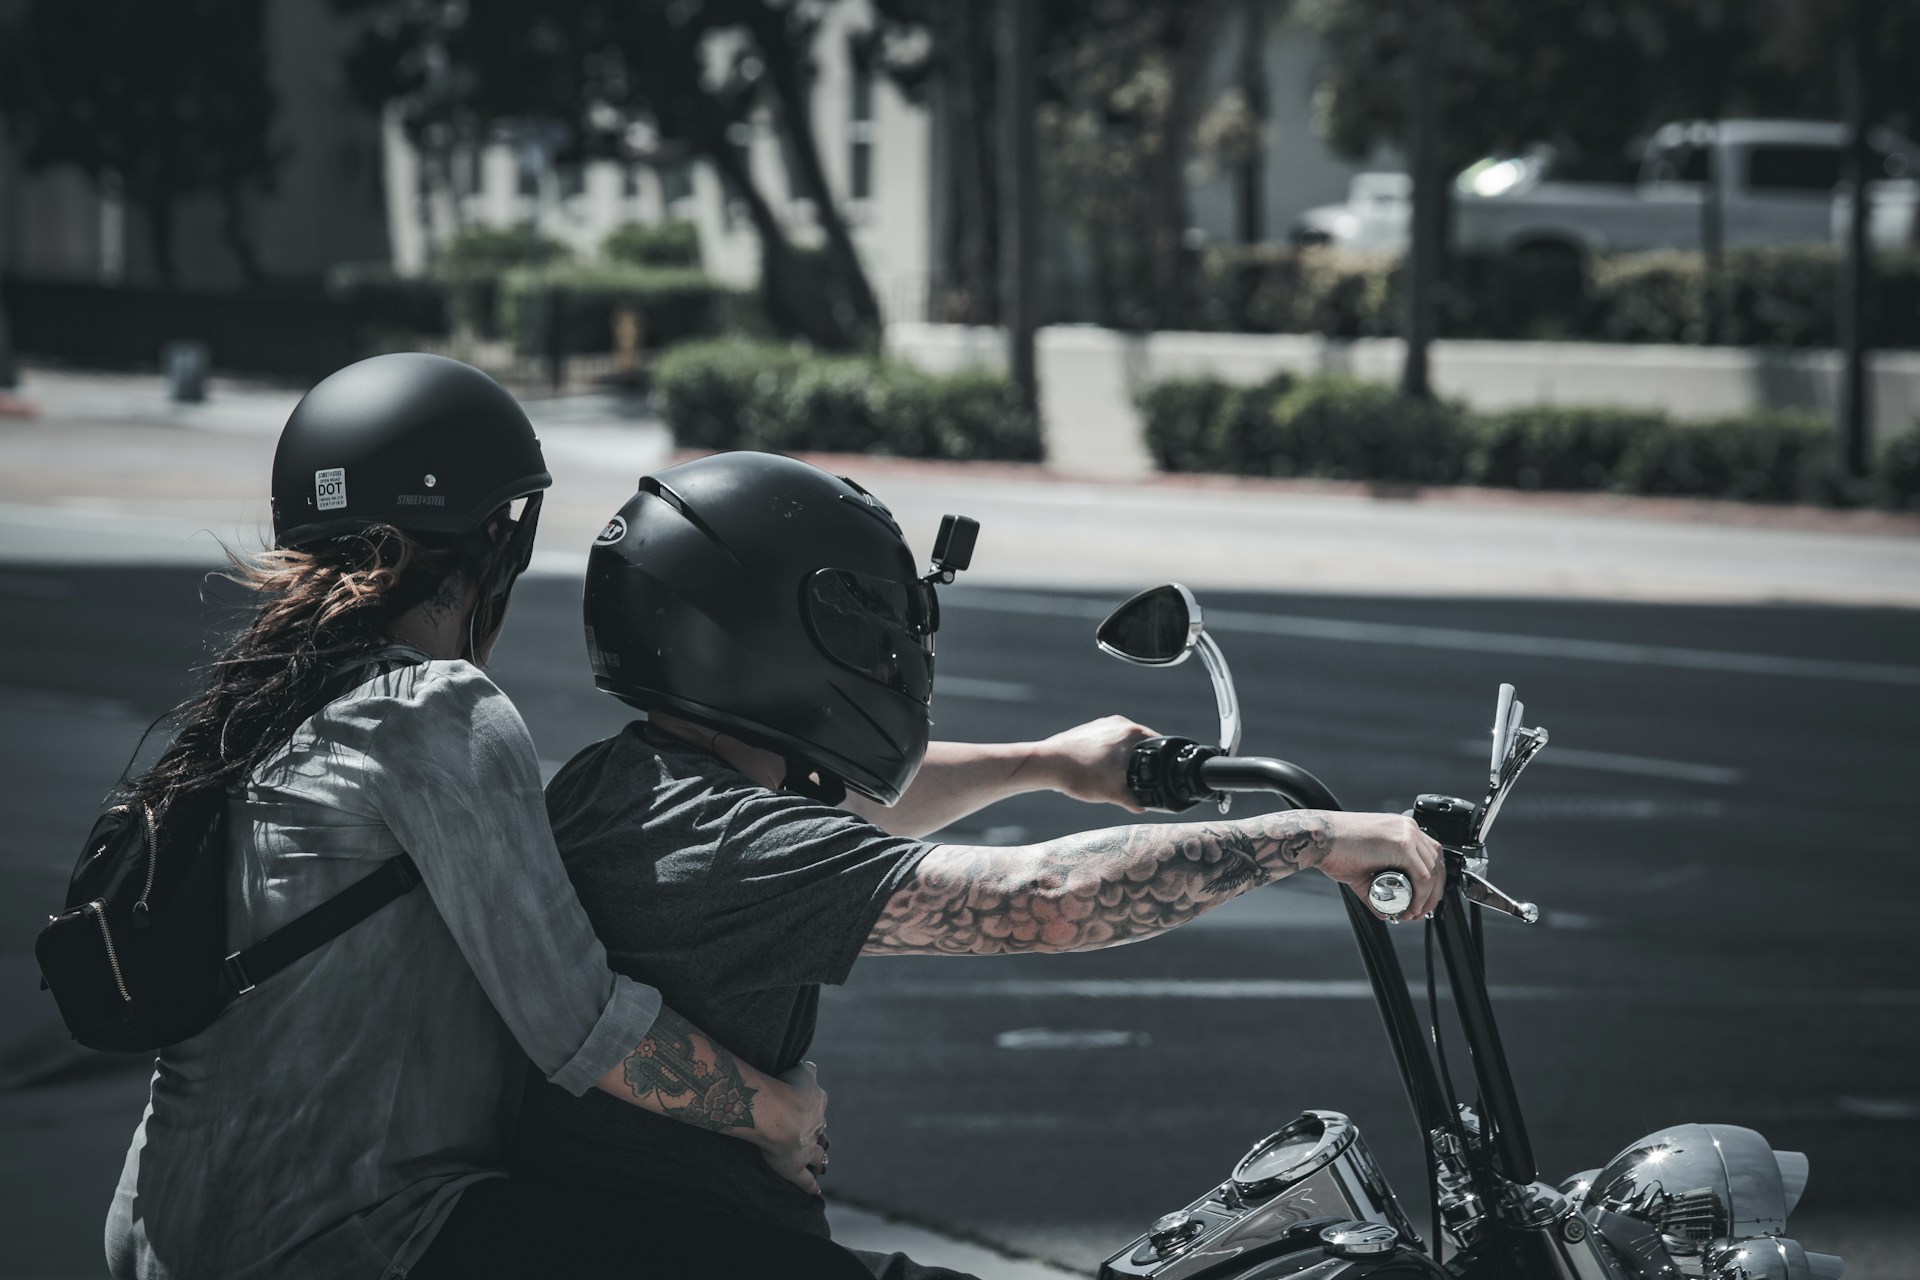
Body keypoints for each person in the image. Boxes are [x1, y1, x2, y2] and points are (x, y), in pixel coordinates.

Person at [511, 452, 1444, 1279]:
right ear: (788, 628)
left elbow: (842, 809)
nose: (899, 645)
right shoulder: (729, 843)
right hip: (705, 1249)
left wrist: (1049, 763)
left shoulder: (628, 784)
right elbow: (1047, 901)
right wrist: (1319, 839)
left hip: (629, 1233)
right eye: (877, 614)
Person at [105, 357, 871, 1280]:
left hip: (160, 1229)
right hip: (355, 1236)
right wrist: (784, 1117)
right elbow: (577, 1022)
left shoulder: (256, 707)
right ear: (494, 541)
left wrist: (1032, 764)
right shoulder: (433, 708)